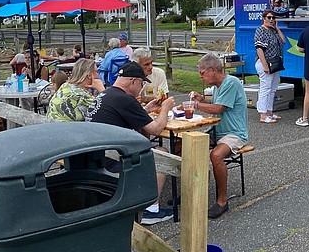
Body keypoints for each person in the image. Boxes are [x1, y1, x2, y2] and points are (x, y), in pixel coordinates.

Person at [86, 61, 176, 225]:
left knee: (151, 150)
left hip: (94, 156)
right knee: (162, 153)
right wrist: (165, 108)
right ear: (133, 81)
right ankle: (152, 210)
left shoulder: (106, 94)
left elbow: (122, 114)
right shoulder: (126, 100)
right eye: (141, 83)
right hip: (111, 160)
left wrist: (145, 110)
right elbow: (155, 129)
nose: (141, 87)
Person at [188, 53, 248, 219]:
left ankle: (222, 201)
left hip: (234, 133)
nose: (201, 76)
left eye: (202, 72)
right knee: (184, 144)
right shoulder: (217, 87)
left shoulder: (231, 83)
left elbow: (219, 109)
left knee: (216, 155)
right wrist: (201, 99)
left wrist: (196, 104)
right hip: (218, 131)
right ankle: (191, 190)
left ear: (213, 70)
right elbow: (214, 105)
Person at [254, 9, 286, 124]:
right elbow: (259, 49)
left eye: (273, 17)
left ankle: (269, 111)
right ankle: (262, 114)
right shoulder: (260, 30)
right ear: (264, 18)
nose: (271, 20)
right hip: (266, 62)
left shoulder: (274, 31)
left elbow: (283, 41)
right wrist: (265, 65)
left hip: (276, 63)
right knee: (265, 88)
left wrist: (277, 28)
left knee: (273, 88)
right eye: (269, 17)